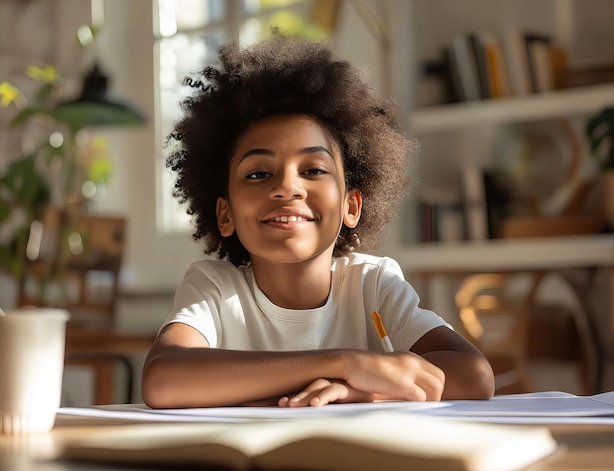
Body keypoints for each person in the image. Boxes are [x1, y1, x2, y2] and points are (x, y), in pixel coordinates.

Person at [142, 34, 495, 408]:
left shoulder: (373, 285)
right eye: (259, 174)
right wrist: (344, 362)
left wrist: (358, 389)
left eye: (313, 170)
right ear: (225, 214)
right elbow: (163, 382)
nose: (286, 187)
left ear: (351, 206)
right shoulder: (214, 288)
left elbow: (474, 375)